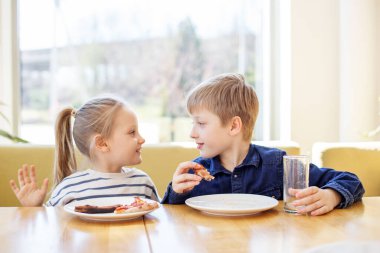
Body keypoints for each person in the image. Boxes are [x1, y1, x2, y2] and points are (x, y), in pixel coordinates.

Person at [162, 73, 364, 216]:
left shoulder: (277, 164)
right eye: (192, 123)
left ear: (234, 125)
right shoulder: (196, 173)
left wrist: (332, 195)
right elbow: (174, 219)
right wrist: (176, 193)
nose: (192, 133)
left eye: (201, 123)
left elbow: (351, 181)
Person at [9, 96, 159, 206]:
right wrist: (34, 209)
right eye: (132, 132)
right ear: (102, 143)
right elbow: (51, 229)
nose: (141, 139)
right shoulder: (69, 188)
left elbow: (160, 219)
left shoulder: (143, 184)